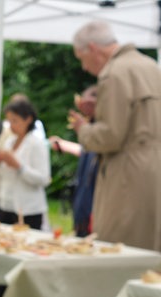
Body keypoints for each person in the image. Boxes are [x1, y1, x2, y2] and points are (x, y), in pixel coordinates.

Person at [69, 20, 161, 273]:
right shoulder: (148, 65)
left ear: (94, 48)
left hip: (128, 173)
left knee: (122, 247)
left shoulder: (115, 72)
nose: (85, 67)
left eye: (82, 58)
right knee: (155, 244)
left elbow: (111, 136)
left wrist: (83, 130)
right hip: (158, 167)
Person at [0, 96, 50, 297]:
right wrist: (1, 162)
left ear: (28, 120)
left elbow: (43, 178)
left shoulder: (36, 143)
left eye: (15, 121)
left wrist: (18, 166)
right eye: (9, 121)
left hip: (28, 209)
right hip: (6, 204)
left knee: (23, 257)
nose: (11, 126)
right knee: (2, 256)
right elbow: (1, 176)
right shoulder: (8, 142)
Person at [49, 85, 99, 237]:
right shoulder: (93, 130)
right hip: (83, 206)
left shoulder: (103, 131)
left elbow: (96, 149)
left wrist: (83, 129)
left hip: (95, 210)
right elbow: (86, 151)